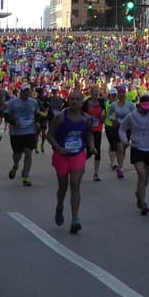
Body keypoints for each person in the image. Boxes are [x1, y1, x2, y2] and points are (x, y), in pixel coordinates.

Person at [46, 89, 90, 233]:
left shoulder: (86, 118)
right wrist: (59, 148)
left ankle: (75, 219)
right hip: (62, 155)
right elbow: (49, 135)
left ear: (81, 102)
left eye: (77, 99)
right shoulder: (60, 117)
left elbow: (89, 134)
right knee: (63, 187)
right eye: (72, 99)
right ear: (68, 101)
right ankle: (59, 206)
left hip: (78, 154)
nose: (74, 102)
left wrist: (92, 146)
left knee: (75, 184)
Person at [122, 94, 149, 215]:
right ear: (139, 106)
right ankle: (143, 203)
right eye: (144, 108)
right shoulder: (132, 116)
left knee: (145, 179)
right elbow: (122, 129)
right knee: (141, 175)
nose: (147, 110)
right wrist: (125, 140)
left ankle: (139, 194)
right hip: (136, 148)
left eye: (148, 108)